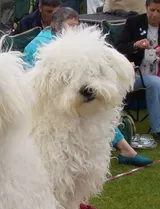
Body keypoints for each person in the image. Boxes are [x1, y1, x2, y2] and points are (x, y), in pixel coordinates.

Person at [22, 8, 153, 166]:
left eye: (77, 26)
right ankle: (125, 149)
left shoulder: (85, 49)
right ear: (57, 27)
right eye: (70, 26)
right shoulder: (46, 51)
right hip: (57, 120)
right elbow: (35, 84)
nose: (75, 30)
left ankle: (125, 149)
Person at [117, 0, 160, 140]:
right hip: (135, 76)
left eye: (159, 11)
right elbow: (119, 47)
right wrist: (135, 44)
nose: (154, 14)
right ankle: (158, 129)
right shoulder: (134, 22)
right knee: (154, 83)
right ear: (146, 8)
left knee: (155, 83)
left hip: (157, 72)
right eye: (152, 10)